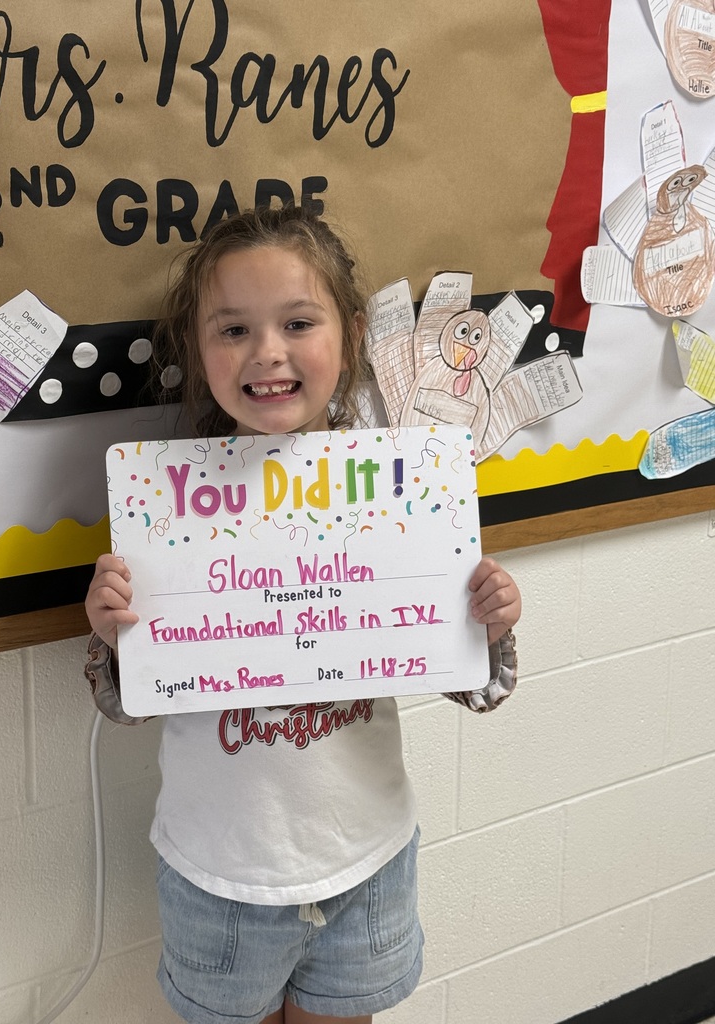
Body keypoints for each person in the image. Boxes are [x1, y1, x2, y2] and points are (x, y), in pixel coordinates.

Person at [85, 205, 522, 1024]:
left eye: (296, 322)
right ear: (197, 351)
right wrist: (113, 640)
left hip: (366, 862)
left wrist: (489, 629)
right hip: (220, 879)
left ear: (350, 335)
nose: (268, 353)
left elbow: (478, 689)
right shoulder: (163, 508)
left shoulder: (407, 488)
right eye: (233, 330)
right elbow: (127, 703)